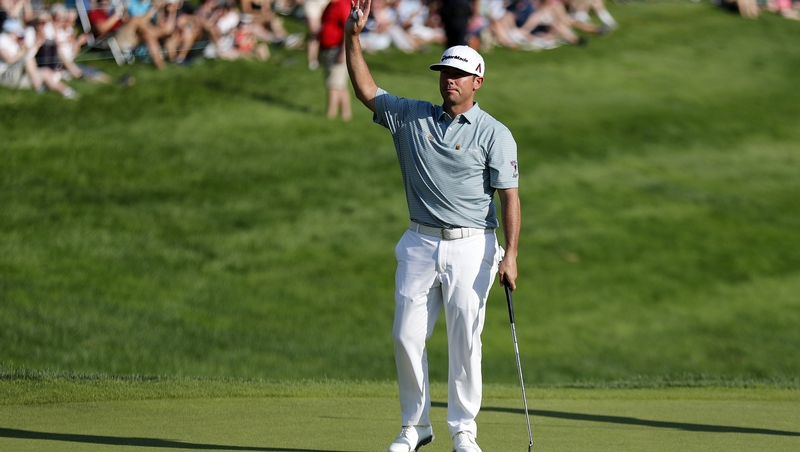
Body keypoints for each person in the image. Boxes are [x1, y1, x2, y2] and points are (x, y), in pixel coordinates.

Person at [345, 1, 521, 451]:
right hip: (420, 243)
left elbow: (509, 197)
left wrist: (512, 254)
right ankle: (414, 427)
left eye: (458, 74)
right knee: (405, 336)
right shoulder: (411, 116)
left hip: (473, 247)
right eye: (444, 72)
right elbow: (366, 90)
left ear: (477, 81)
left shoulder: (494, 133)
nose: (449, 79)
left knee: (465, 342)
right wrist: (353, 37)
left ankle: (463, 431)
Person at [318, 0, 351, 119]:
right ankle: (346, 115)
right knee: (339, 85)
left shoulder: (343, 5)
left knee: (334, 85)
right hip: (327, 49)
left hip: (337, 50)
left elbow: (348, 29)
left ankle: (330, 115)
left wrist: (343, 51)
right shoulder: (330, 5)